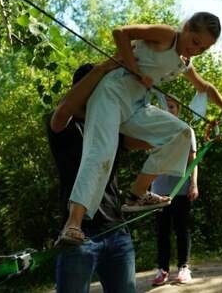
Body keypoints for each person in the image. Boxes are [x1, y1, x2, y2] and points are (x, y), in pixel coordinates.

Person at [59, 12, 222, 245]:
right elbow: (121, 33)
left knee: (183, 133)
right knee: (101, 152)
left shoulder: (185, 62)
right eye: (195, 42)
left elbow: (204, 87)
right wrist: (136, 70)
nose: (196, 50)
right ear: (186, 28)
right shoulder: (167, 35)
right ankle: (72, 224)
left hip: (137, 104)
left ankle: (137, 194)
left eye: (203, 49)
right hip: (112, 94)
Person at [47, 61, 150, 293]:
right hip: (77, 235)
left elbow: (150, 139)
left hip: (117, 230)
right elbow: (65, 107)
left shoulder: (111, 124)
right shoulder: (64, 123)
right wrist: (104, 68)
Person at [150, 96, 199, 285]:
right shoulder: (154, 131)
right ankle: (162, 270)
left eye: (172, 107)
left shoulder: (187, 131)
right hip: (158, 190)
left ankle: (184, 267)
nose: (169, 110)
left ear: (178, 110)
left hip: (181, 188)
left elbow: (193, 161)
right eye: (165, 107)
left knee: (181, 229)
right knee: (162, 231)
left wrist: (194, 184)